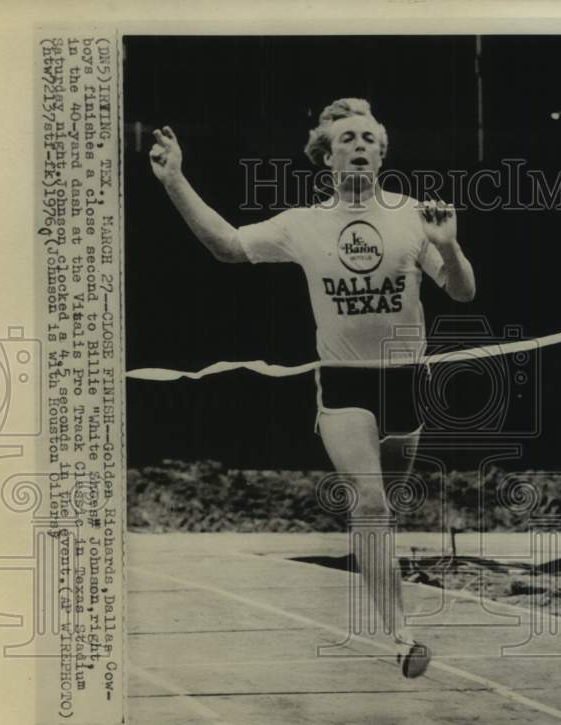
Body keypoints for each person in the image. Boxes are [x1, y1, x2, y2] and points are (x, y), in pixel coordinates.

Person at [149, 98, 476, 677]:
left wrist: (448, 245)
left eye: (369, 138)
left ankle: (376, 577)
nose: (359, 145)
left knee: (382, 511)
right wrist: (175, 179)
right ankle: (402, 637)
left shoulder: (412, 216)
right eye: (346, 138)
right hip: (345, 385)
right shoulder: (302, 224)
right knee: (371, 504)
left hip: (407, 382)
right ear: (326, 157)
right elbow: (226, 246)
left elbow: (462, 293)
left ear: (381, 152)